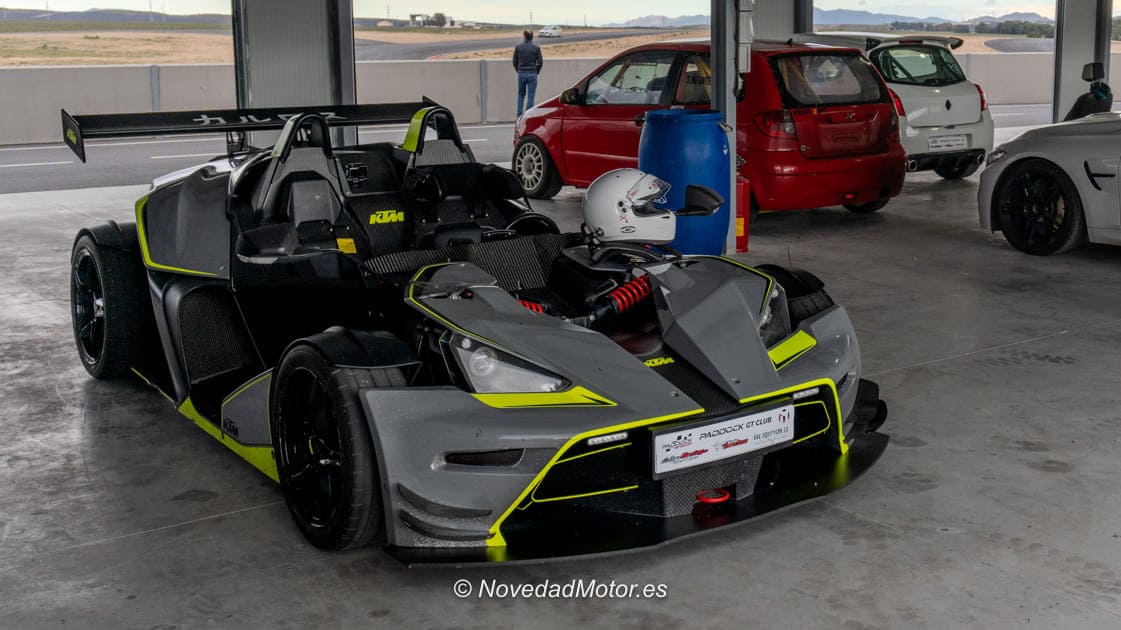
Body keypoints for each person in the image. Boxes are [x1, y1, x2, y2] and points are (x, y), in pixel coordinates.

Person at [513, 30, 543, 119]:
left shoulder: (518, 47)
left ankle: (519, 115)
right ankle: (528, 116)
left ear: (524, 36)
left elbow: (514, 61)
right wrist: (536, 71)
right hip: (532, 73)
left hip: (522, 73)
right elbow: (540, 62)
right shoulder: (536, 48)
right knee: (531, 95)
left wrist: (518, 70)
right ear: (532, 37)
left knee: (521, 94)